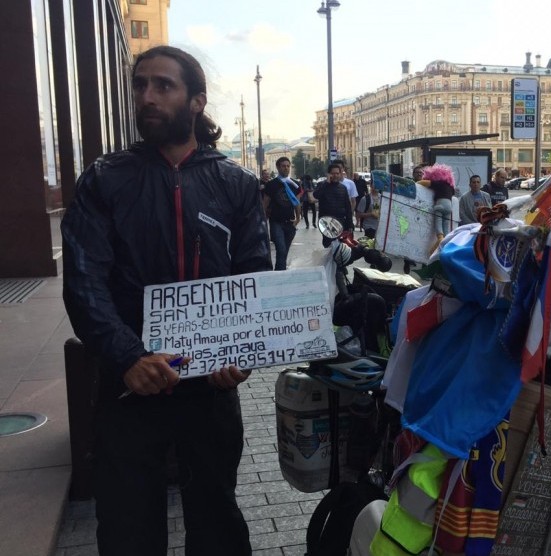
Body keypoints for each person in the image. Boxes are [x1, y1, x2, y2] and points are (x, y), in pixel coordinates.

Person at [61, 45, 269, 556]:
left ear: (196, 101)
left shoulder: (236, 184)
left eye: (163, 85)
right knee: (128, 528)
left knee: (217, 521)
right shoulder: (104, 179)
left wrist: (239, 357)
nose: (146, 96)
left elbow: (255, 278)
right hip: (130, 388)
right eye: (140, 85)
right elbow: (85, 283)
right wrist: (128, 356)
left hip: (209, 392)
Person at [263, 157, 302, 271]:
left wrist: (298, 218)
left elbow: (297, 203)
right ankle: (280, 274)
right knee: (281, 249)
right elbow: (265, 203)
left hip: (290, 223)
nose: (286, 168)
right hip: (276, 222)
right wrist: (262, 220)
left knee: (284, 252)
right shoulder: (272, 184)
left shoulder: (295, 184)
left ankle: (279, 273)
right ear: (278, 167)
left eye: (288, 166)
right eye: (283, 166)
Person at [316, 163, 354, 246]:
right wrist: (326, 183)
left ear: (340, 174)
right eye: (333, 173)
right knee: (328, 246)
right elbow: (316, 195)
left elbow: (348, 207)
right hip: (326, 222)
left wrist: (350, 224)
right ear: (329, 174)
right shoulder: (322, 185)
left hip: (341, 222)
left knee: (341, 247)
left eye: (337, 173)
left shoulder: (343, 188)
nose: (335, 175)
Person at [422, 164, 455, 242]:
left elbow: (423, 182)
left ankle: (440, 238)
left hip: (440, 205)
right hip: (449, 208)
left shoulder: (438, 183)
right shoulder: (450, 187)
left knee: (438, 222)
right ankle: (447, 240)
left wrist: (417, 183)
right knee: (446, 225)